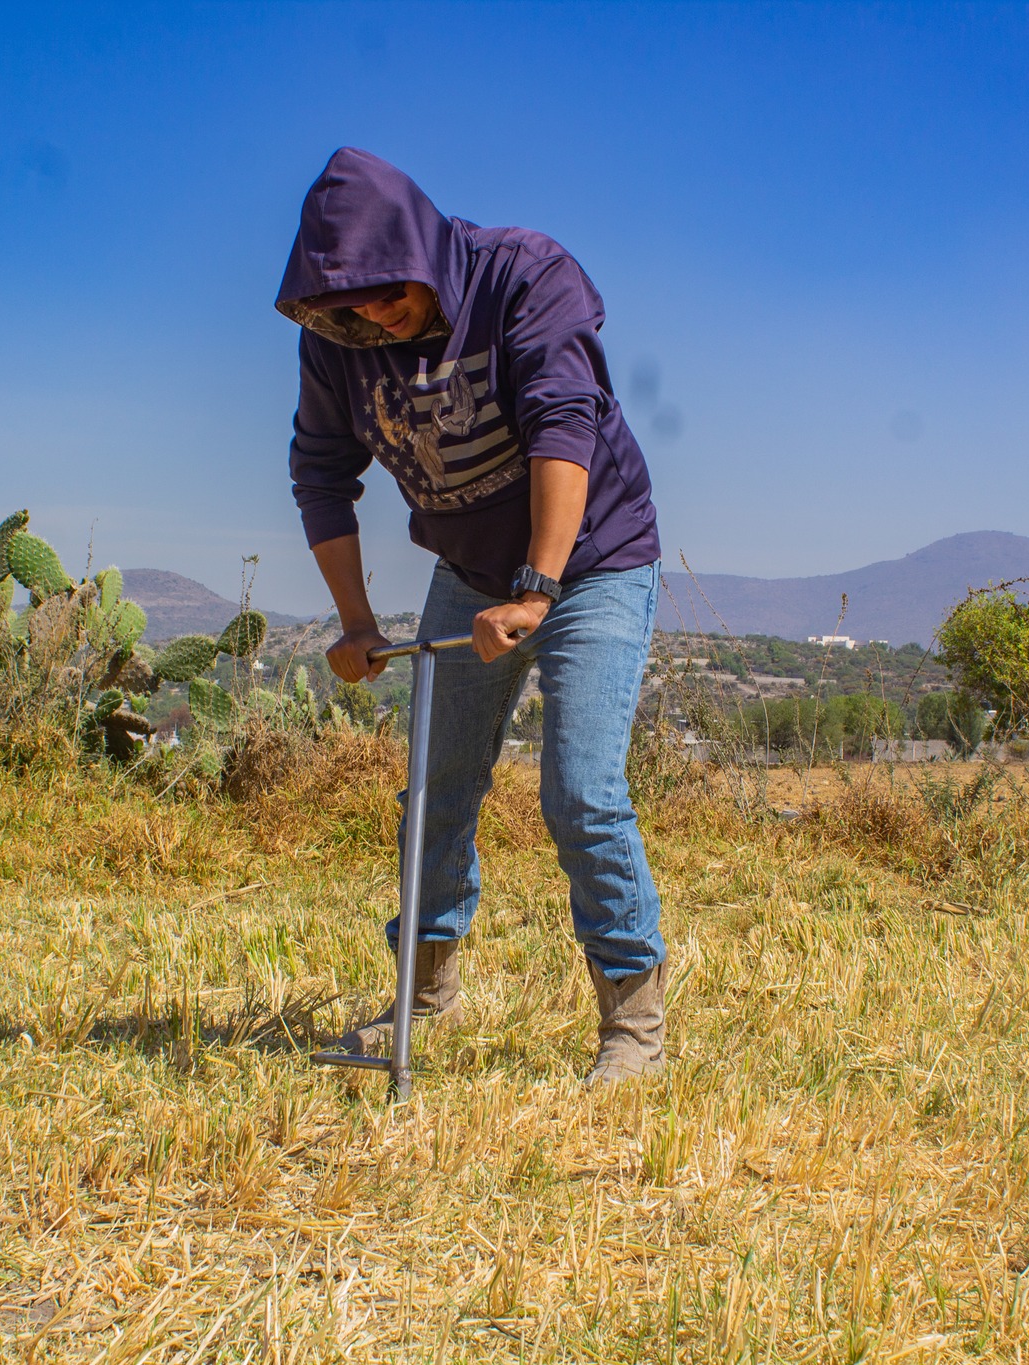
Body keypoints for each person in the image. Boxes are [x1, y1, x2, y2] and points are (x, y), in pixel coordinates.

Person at [275, 148, 669, 1085]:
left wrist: (537, 588)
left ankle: (634, 1024)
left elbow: (566, 425)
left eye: (386, 291)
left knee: (580, 790)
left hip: (595, 561)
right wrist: (358, 622)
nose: (373, 314)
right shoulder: (337, 338)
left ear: (416, 242)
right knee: (437, 786)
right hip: (469, 569)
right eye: (351, 302)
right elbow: (320, 475)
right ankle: (424, 994)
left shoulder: (527, 276)